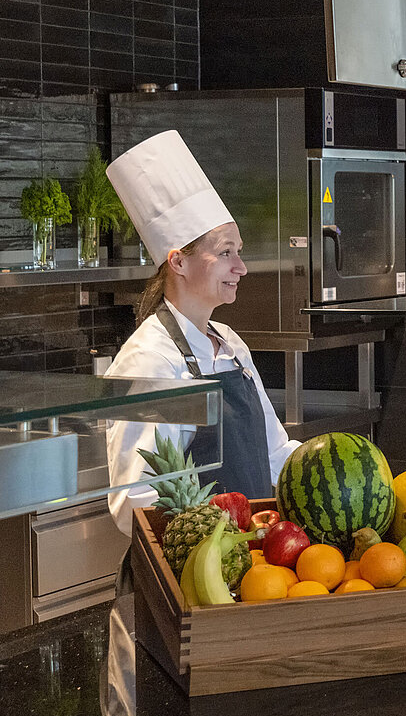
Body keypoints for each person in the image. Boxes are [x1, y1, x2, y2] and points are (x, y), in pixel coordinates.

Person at [104, 130, 300, 536]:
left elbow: (275, 453)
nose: (241, 267)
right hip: (186, 576)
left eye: (239, 251)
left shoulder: (230, 343)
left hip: (249, 557)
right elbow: (134, 501)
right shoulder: (150, 360)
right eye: (225, 251)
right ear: (178, 262)